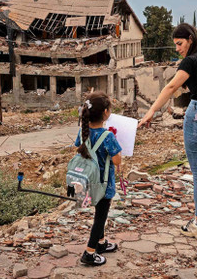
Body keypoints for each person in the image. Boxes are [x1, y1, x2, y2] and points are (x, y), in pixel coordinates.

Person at [138, 23, 197, 242]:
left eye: (180, 44)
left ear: (191, 39)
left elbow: (171, 87)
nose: (177, 49)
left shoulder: (190, 61)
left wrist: (151, 111)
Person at [74, 91, 123, 266]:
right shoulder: (108, 136)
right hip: (104, 184)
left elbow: (78, 148)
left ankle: (101, 244)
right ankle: (89, 252)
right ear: (106, 113)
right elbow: (117, 160)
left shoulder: (82, 132)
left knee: (99, 213)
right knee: (100, 218)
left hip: (88, 182)